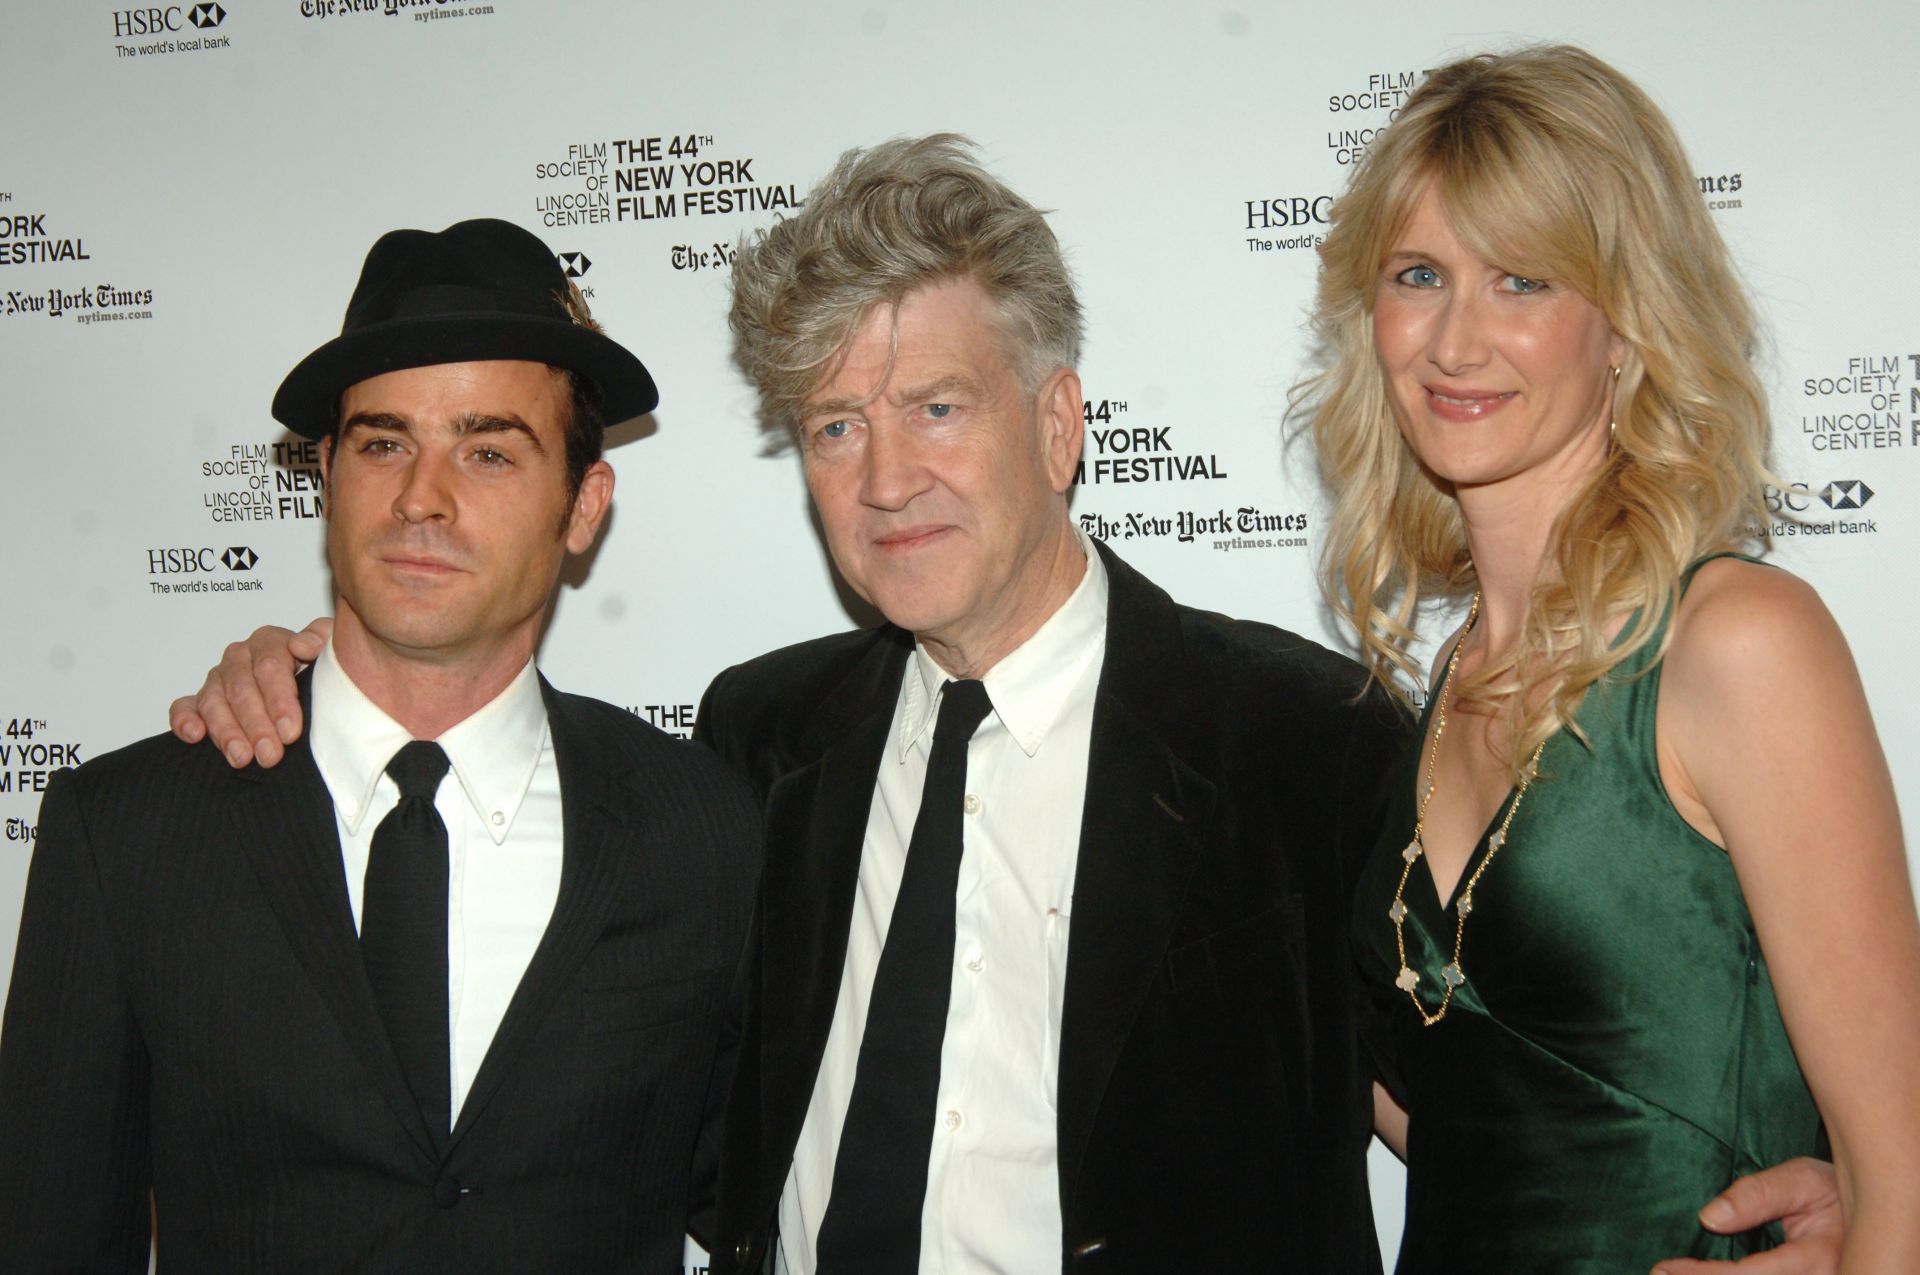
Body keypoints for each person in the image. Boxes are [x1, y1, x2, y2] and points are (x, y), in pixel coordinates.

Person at [169, 141, 1853, 1273]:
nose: (886, 476)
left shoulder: (1301, 737)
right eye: (834, 427)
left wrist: (1823, 1209)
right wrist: (320, 700)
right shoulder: (753, 741)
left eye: (937, 408)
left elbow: (1494, 1087)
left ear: (1059, 424)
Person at [0, 219, 761, 1272]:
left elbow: (768, 1211)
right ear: (327, 474)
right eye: (384, 442)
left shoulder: (707, 831)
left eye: (488, 450)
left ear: (583, 505)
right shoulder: (125, 832)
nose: (420, 499)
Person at [1300, 46, 1920, 1272]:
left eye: (1523, 280)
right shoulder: (1456, 677)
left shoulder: (1736, 645)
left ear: (1627, 325)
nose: (1455, 340)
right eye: (1419, 276)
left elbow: (1903, 1170)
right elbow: (1491, 1119)